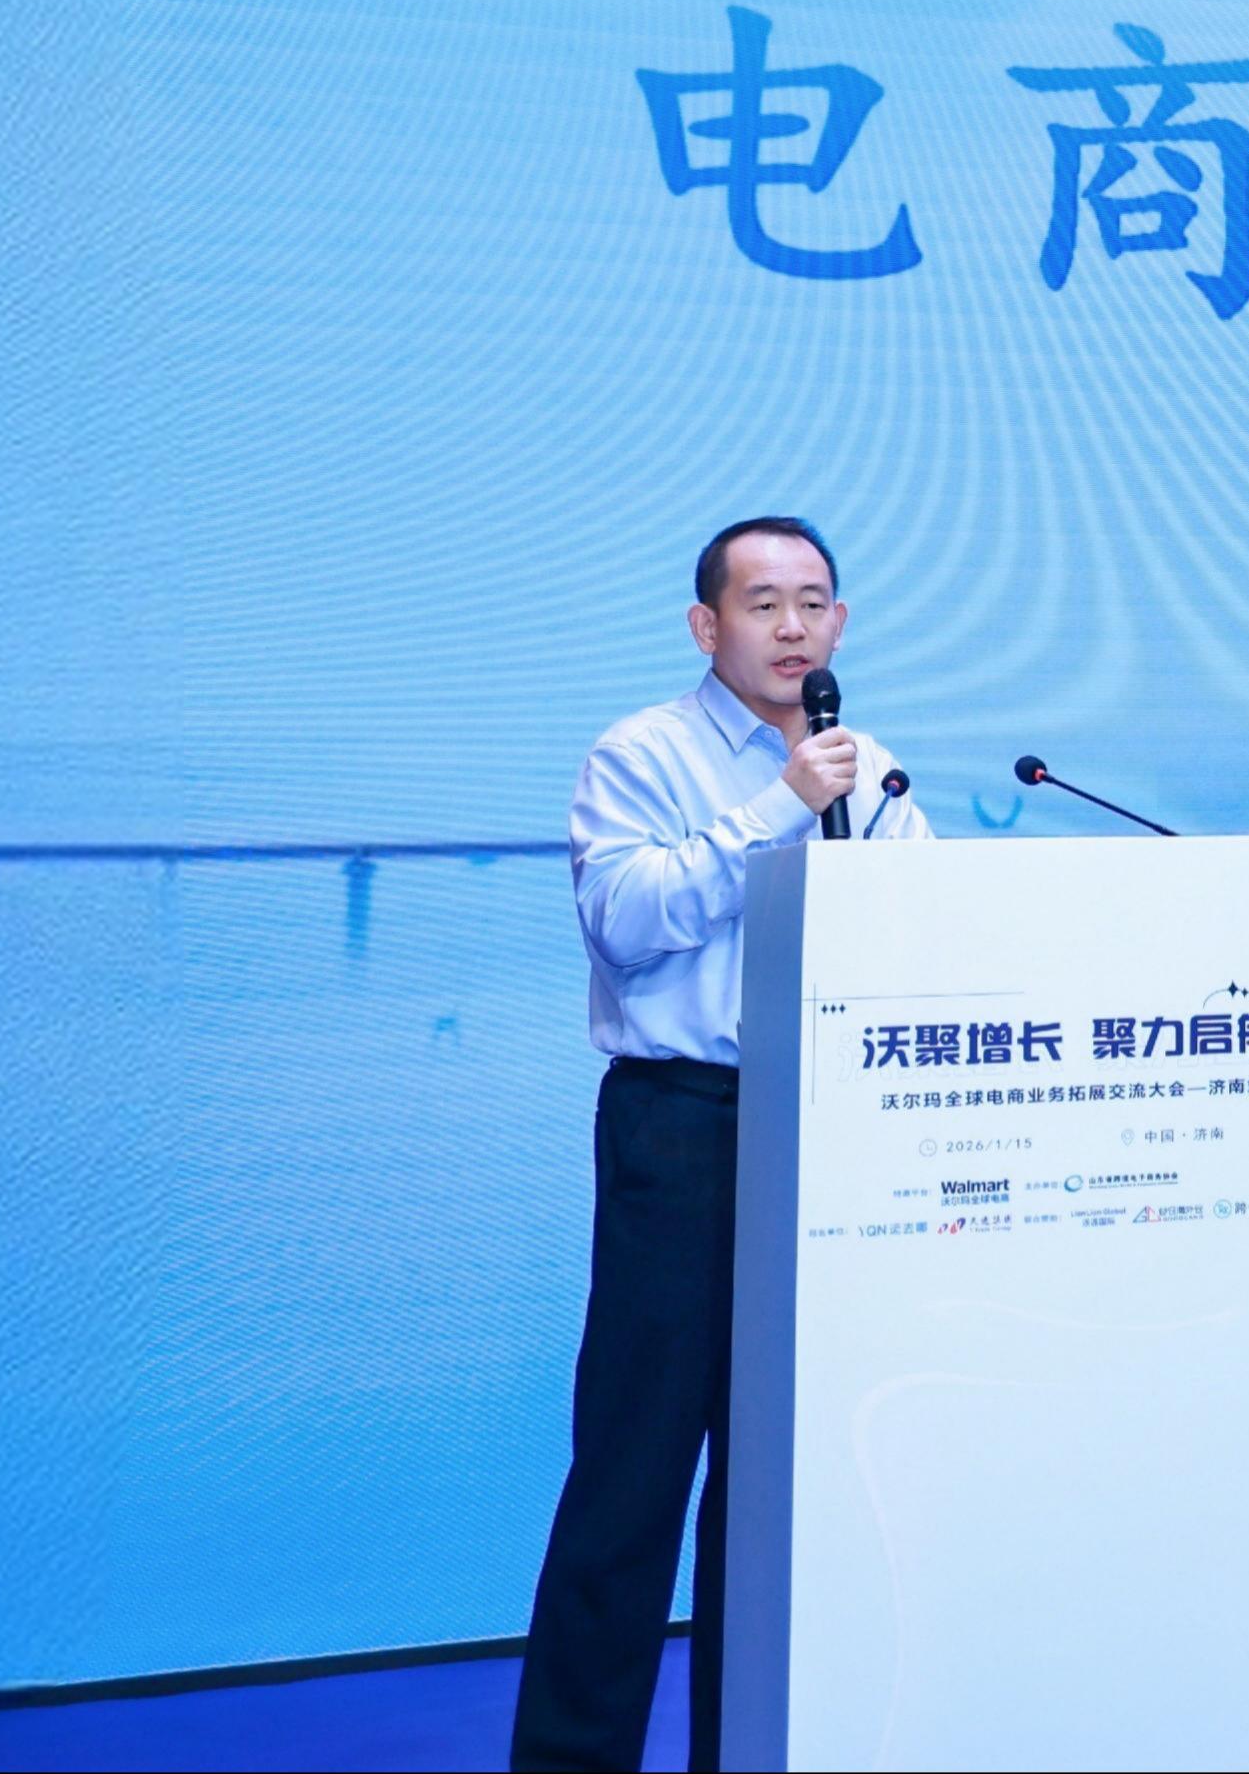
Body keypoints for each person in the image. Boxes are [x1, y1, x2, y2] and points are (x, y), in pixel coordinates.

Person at [511, 517, 925, 1771]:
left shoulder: (869, 767)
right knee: (633, 1475)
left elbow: (924, 934)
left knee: (783, 1489)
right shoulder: (644, 754)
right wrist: (780, 808)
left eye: (814, 603)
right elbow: (625, 920)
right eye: (763, 604)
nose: (794, 627)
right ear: (707, 626)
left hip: (832, 1133)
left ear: (840, 623)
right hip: (684, 1129)